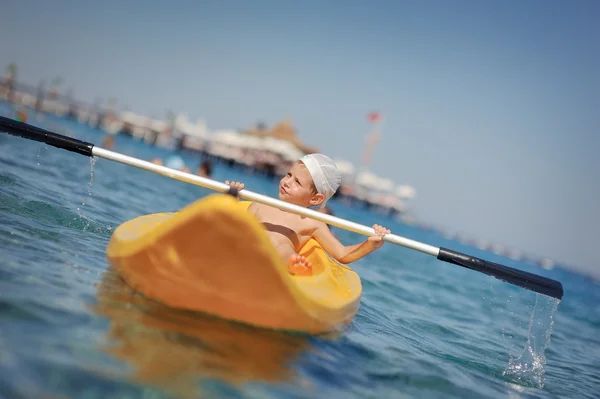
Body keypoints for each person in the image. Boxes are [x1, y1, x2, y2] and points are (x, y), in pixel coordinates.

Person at [226, 153, 390, 276]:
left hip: (274, 264)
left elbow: (342, 254)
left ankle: (293, 267)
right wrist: (231, 198)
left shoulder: (312, 222)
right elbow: (234, 224)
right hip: (246, 252)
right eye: (289, 175)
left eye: (297, 182)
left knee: (282, 247)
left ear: (315, 198)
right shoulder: (260, 203)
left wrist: (371, 244)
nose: (287, 182)